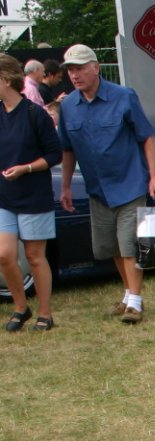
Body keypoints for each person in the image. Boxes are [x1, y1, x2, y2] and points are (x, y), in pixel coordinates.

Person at [58, 43, 155, 324]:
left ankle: (136, 303)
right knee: (112, 248)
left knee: (129, 244)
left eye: (80, 68)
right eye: (70, 70)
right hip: (98, 191)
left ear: (96, 67)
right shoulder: (68, 106)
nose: (74, 74)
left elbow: (146, 138)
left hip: (130, 184)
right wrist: (66, 186)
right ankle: (129, 294)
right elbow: (67, 150)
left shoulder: (124, 96)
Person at [0, 54, 62, 331]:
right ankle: (20, 306)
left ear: (5, 80)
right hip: (4, 195)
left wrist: (26, 168)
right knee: (3, 255)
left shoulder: (34, 113)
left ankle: (45, 313)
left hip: (33, 195)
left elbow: (54, 154)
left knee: (35, 257)